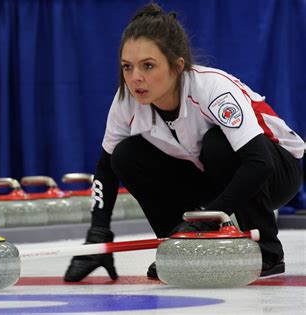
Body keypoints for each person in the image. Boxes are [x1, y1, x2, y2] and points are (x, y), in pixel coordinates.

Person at [64, 2, 304, 282]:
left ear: (177, 66)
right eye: (127, 67)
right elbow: (106, 168)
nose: (135, 78)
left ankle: (268, 252)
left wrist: (208, 217)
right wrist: (98, 234)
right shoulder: (126, 103)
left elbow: (259, 162)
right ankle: (178, 245)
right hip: (211, 174)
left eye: (148, 66)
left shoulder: (212, 89)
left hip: (276, 172)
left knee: (217, 142)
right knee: (125, 155)